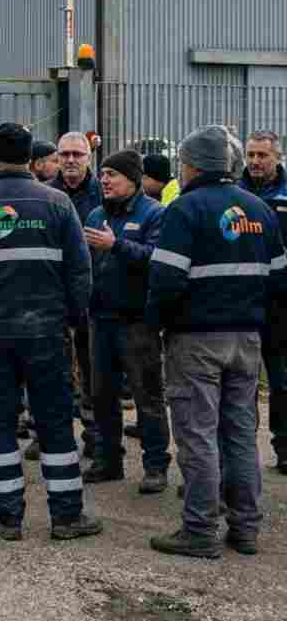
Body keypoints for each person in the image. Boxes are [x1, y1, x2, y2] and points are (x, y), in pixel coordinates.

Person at [0, 123, 100, 541]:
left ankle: (8, 517)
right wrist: (71, 318)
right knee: (54, 423)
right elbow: (80, 273)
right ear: (32, 160)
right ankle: (67, 517)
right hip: (47, 333)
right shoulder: (58, 204)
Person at [147, 125, 286, 558]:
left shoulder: (185, 210)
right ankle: (245, 529)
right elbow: (279, 281)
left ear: (191, 166)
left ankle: (200, 530)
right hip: (246, 340)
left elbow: (166, 281)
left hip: (195, 341)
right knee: (241, 435)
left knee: (198, 436)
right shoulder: (259, 210)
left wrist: (157, 325)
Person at [82, 150, 170, 493]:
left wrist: (116, 245)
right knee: (102, 396)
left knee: (148, 397)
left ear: (133, 179)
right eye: (102, 175)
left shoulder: (154, 214)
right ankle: (108, 461)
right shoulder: (95, 213)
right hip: (100, 319)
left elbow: (158, 259)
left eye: (112, 175)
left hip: (138, 322)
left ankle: (155, 466)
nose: (104, 180)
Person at [49, 131, 103, 459]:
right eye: (64, 154)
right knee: (53, 368)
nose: (70, 160)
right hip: (53, 296)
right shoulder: (46, 194)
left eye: (77, 154)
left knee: (92, 368)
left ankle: (95, 435)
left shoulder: (103, 193)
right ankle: (52, 434)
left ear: (88, 158)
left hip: (93, 297)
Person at [239, 130, 287, 474]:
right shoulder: (234, 193)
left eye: (262, 155)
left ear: (277, 157)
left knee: (281, 381)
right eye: (251, 155)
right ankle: (242, 454)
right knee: (240, 383)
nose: (255, 161)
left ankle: (283, 447)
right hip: (241, 301)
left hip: (280, 303)